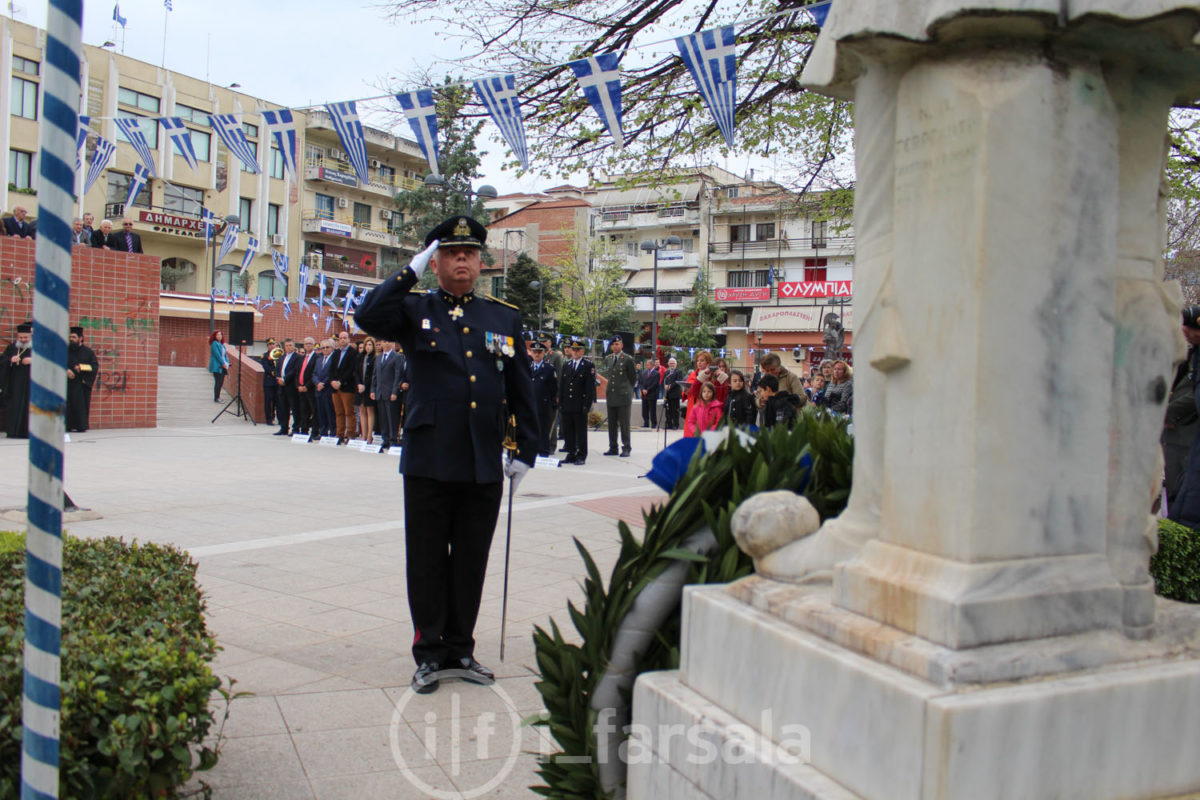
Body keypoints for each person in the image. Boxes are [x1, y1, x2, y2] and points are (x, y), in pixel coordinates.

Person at [355, 214, 538, 695]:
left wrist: (527, 452)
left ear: (482, 263)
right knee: (428, 558)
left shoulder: (503, 316)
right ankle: (429, 653)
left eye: (470, 253)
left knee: (471, 559)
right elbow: (367, 317)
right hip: (429, 457)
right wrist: (406, 272)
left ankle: (461, 648)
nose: (462, 260)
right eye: (452, 253)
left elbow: (522, 387)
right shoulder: (414, 308)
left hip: (482, 459)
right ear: (436, 262)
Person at [1164, 306, 1200, 507]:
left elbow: (1194, 396)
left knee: (1184, 497)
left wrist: (1167, 413)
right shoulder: (1192, 354)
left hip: (1187, 436)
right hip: (1177, 437)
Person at [559, 339, 596, 465]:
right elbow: (563, 385)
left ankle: (581, 454)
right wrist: (561, 402)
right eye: (573, 349)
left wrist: (587, 404)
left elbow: (589, 387)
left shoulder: (588, 365)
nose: (575, 352)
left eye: (577, 350)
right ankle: (571, 453)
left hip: (579, 404)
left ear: (582, 351)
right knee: (568, 431)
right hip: (567, 404)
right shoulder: (567, 365)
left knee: (580, 431)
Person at [600, 334, 637, 457]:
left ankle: (626, 447)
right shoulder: (609, 358)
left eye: (617, 344)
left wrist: (627, 390)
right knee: (611, 423)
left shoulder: (627, 359)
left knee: (624, 423)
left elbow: (633, 378)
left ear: (621, 345)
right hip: (611, 395)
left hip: (623, 395)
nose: (615, 346)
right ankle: (613, 447)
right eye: (613, 344)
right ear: (610, 346)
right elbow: (609, 375)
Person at [1, 322, 34, 438]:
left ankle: (28, 432)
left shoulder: (37, 349)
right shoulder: (11, 348)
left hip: (31, 385)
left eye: (25, 337)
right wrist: (10, 360)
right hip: (15, 384)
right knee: (13, 407)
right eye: (20, 337)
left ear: (30, 336)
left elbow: (47, 364)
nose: (23, 340)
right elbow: (2, 362)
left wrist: (32, 360)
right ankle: (13, 432)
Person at [372, 338, 405, 451]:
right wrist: (373, 390)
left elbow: (398, 375)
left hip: (391, 392)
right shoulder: (378, 357)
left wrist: (395, 391)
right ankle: (385, 439)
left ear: (393, 343)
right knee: (383, 417)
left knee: (392, 417)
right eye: (384, 342)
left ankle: (393, 439)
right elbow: (375, 375)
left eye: (389, 342)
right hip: (380, 392)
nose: (386, 344)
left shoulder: (397, 357)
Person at [66, 326, 99, 432]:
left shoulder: (88, 352)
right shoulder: (65, 350)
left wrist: (82, 367)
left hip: (81, 384)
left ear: (80, 338)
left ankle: (81, 426)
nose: (71, 339)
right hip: (67, 384)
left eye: (74, 337)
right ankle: (67, 426)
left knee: (80, 406)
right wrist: (66, 370)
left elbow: (94, 367)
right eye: (70, 337)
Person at [529, 341, 559, 457]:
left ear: (543, 354)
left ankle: (543, 450)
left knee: (543, 429)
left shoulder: (549, 369)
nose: (537, 355)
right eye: (534, 352)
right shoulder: (527, 368)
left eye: (539, 352)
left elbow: (553, 389)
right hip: (530, 404)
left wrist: (552, 404)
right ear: (531, 353)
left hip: (543, 405)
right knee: (531, 428)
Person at [329, 330, 358, 444]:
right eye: (341, 338)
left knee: (349, 412)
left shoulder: (353, 353)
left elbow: (351, 370)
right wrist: (332, 381)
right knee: (338, 412)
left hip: (347, 387)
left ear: (349, 339)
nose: (342, 340)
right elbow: (331, 369)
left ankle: (350, 434)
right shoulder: (335, 353)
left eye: (345, 338)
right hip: (335, 388)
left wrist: (341, 381)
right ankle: (339, 434)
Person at [273, 339, 300, 435]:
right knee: (283, 408)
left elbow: (294, 370)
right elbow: (277, 369)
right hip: (281, 387)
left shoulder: (297, 357)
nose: (288, 347)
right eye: (287, 346)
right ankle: (284, 428)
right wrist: (278, 378)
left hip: (291, 386)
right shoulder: (282, 357)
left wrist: (284, 379)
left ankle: (295, 429)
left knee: (294, 408)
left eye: (290, 345)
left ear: (294, 346)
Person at [314, 339, 336, 439]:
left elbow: (332, 373)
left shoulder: (334, 359)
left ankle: (332, 432)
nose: (325, 349)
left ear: (332, 348)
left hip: (328, 389)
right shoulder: (319, 359)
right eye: (323, 348)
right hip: (319, 389)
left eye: (327, 347)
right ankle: (323, 432)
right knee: (321, 412)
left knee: (330, 412)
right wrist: (317, 383)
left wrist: (323, 383)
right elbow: (314, 373)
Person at [356, 337, 377, 442]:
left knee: (370, 410)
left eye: (370, 345)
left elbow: (373, 374)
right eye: (366, 345)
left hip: (369, 387)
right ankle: (363, 435)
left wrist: (365, 385)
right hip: (360, 388)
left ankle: (369, 435)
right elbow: (356, 372)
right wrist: (359, 383)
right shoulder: (360, 357)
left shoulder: (375, 358)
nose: (368, 347)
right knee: (361, 410)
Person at [259, 340, 279, 428]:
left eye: (273, 344)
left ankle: (274, 417)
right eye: (270, 345)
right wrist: (275, 372)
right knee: (268, 401)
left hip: (277, 382)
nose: (271, 346)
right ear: (267, 346)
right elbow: (266, 368)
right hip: (269, 381)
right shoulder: (264, 356)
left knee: (276, 401)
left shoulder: (279, 355)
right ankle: (268, 419)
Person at [639, 357, 661, 428]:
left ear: (652, 365)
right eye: (646, 365)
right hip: (644, 394)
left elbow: (655, 384)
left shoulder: (656, 373)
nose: (646, 366)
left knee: (652, 410)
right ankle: (646, 423)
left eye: (648, 365)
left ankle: (654, 424)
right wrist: (643, 389)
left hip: (652, 394)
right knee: (644, 410)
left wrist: (647, 390)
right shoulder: (644, 372)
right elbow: (641, 382)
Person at [662, 357, 683, 429]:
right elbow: (664, 381)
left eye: (673, 363)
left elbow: (678, 381)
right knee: (668, 411)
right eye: (670, 363)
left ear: (676, 364)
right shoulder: (666, 372)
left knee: (675, 410)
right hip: (668, 395)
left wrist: (670, 386)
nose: (672, 365)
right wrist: (665, 386)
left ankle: (675, 425)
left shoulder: (678, 371)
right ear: (668, 364)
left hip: (675, 394)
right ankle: (669, 424)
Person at [208, 330, 229, 403]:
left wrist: (227, 363)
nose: (219, 336)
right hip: (217, 366)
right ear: (215, 336)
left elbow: (224, 355)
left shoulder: (222, 345)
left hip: (223, 366)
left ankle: (218, 396)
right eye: (218, 335)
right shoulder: (214, 344)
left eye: (220, 334)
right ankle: (216, 397)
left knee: (221, 382)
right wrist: (223, 363)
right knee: (218, 382)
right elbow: (217, 355)